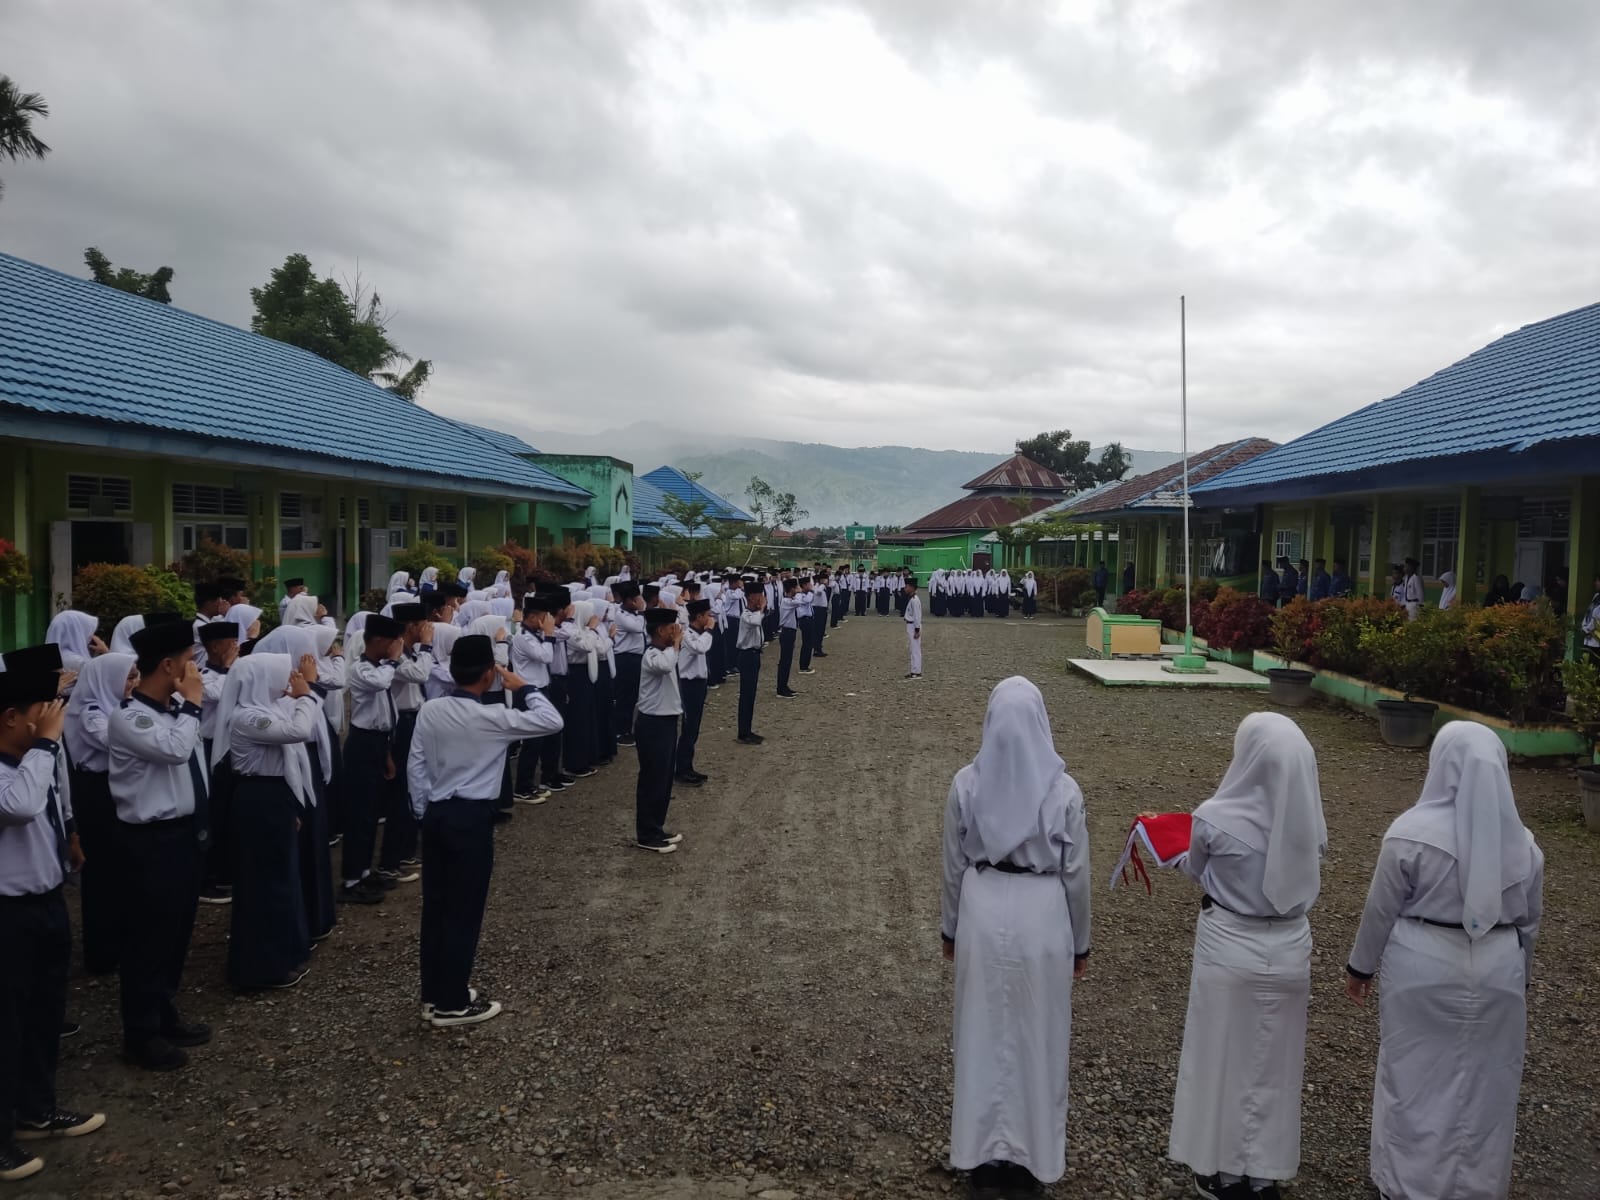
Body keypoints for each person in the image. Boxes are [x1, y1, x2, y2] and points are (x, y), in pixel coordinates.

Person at [1345, 722, 1544, 1200]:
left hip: (1423, 965)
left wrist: (1360, 967)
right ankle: (1474, 1185)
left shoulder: (1410, 833)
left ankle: (1406, 1185)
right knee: (1486, 1085)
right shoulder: (1525, 845)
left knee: (1413, 1077)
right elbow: (1528, 924)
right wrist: (1523, 980)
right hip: (1499, 969)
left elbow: (1381, 910)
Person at [1166, 712, 1327, 1200]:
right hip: (1290, 950)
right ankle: (1265, 1174)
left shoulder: (1216, 816)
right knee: (1274, 1065)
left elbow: (1196, 868)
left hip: (1230, 945)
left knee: (1220, 1058)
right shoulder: (1309, 822)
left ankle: (1222, 1171)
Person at [941, 677, 1090, 1196]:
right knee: (1038, 1035)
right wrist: (1081, 942)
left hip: (983, 908)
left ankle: (981, 1159)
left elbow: (953, 865)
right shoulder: (1063, 790)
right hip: (1043, 913)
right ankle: (1031, 1161)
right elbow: (1077, 876)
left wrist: (949, 927)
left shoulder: (966, 784)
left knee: (980, 1031)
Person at [408, 634, 564, 1028]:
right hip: (470, 818)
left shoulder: (431, 709)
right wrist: (525, 686)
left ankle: (434, 993)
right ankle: (453, 1003)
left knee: (438, 908)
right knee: (464, 910)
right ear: (490, 674)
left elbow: (417, 765)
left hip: (437, 813)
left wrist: (424, 809)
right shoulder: (493, 718)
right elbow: (552, 720)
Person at [0, 644, 106, 1183]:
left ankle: (36, 1110)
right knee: (6, 1024)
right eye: (43, 710)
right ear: (12, 718)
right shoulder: (15, 766)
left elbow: (48, 801)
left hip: (45, 901)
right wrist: (45, 745)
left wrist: (70, 835)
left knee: (43, 1015)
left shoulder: (29, 759)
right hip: (6, 913)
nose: (52, 720)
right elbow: (17, 807)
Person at [108, 619, 212, 1071]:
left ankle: (164, 1012)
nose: (196, 673)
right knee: (147, 939)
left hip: (182, 836)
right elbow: (173, 750)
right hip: (148, 841)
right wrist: (191, 705)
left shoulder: (172, 712)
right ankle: (140, 1033)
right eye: (190, 663)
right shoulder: (130, 716)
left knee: (175, 934)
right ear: (168, 665)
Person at [211, 653, 317, 991]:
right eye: (281, 675)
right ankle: (259, 968)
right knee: (263, 884)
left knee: (279, 878)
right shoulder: (247, 717)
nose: (287, 680)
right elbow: (298, 731)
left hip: (272, 796)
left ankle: (282, 954)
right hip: (258, 798)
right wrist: (305, 695)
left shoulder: (267, 709)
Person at [62, 651, 140, 977]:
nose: (133, 683)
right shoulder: (89, 710)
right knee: (102, 875)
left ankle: (120, 942)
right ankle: (102, 952)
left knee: (120, 871)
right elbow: (112, 741)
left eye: (135, 676)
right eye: (128, 676)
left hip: (112, 789)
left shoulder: (117, 706)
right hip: (95, 794)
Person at [339, 612, 404, 905]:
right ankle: (351, 879)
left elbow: (384, 714)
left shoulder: (379, 667)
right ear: (379, 640)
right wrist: (393, 660)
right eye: (393, 641)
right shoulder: (361, 669)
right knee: (360, 813)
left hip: (379, 743)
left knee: (373, 809)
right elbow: (379, 684)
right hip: (362, 745)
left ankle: (365, 870)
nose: (396, 646)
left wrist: (388, 754)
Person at [634, 609, 684, 853]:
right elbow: (665, 666)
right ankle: (646, 834)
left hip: (666, 721)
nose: (675, 632)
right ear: (660, 630)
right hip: (652, 723)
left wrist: (674, 646)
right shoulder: (651, 655)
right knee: (652, 778)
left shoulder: (664, 653)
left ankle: (657, 826)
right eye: (670, 628)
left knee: (664, 778)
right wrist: (675, 644)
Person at [675, 598, 713, 787]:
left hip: (698, 684)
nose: (710, 618)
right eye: (707, 615)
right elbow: (700, 648)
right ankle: (681, 769)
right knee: (689, 729)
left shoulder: (697, 633)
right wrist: (709, 631)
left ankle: (687, 766)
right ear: (699, 616)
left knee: (694, 729)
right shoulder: (687, 635)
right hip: (689, 685)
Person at [611, 583, 646, 748]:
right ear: (630, 601)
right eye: (638, 598)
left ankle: (627, 728)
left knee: (632, 695)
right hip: (625, 658)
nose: (641, 601)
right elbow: (639, 628)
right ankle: (620, 731)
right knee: (625, 696)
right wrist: (643, 611)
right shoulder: (621, 614)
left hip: (635, 658)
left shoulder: (634, 613)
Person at [736, 580, 765, 745]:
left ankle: (747, 729)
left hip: (754, 654)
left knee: (751, 694)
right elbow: (756, 621)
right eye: (758, 595)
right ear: (751, 597)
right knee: (746, 694)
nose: (761, 598)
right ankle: (743, 732)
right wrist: (762, 607)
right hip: (747, 656)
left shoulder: (754, 613)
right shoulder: (746, 614)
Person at [775, 579, 800, 699]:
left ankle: (784, 685)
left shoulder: (789, 601)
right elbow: (799, 602)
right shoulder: (787, 601)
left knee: (787, 661)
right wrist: (799, 592)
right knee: (785, 661)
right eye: (796, 587)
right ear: (791, 589)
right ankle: (781, 688)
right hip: (787, 632)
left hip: (790, 632)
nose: (797, 590)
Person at [903, 577, 923, 680]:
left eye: (907, 586)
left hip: (913, 625)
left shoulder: (914, 600)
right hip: (911, 625)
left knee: (915, 649)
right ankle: (913, 670)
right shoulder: (912, 598)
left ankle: (917, 671)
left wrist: (917, 630)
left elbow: (917, 616)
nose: (905, 588)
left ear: (911, 587)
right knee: (912, 648)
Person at [1583, 572, 1600, 664]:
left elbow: (1597, 618)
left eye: (1598, 581)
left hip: (1597, 640)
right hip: (1588, 638)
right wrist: (1584, 627)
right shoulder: (1596, 596)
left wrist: (1588, 629)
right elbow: (1588, 613)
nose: (1596, 583)